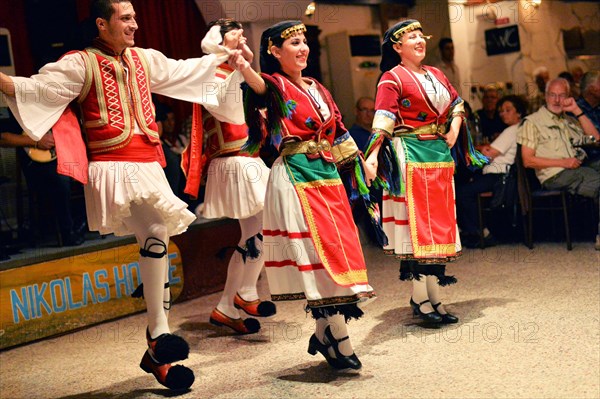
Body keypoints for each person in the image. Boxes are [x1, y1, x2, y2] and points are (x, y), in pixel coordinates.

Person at [0, 0, 244, 390]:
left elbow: (186, 72)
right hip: (113, 166)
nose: (135, 24)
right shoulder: (81, 63)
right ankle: (160, 335)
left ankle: (157, 354)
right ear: (102, 23)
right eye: (125, 18)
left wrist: (226, 55)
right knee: (153, 232)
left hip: (149, 165)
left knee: (159, 238)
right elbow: (36, 88)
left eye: (134, 16)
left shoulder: (144, 59)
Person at [233, 20, 376, 370]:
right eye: (293, 42)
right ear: (275, 52)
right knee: (317, 257)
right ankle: (337, 337)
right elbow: (259, 87)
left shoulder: (318, 88)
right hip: (295, 178)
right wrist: (243, 66)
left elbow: (339, 132)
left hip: (327, 177)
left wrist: (362, 165)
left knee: (336, 253)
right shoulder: (276, 84)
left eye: (304, 41)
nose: (302, 48)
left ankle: (326, 333)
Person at [363, 19, 470, 325]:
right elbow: (382, 119)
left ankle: (434, 296)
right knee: (417, 230)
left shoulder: (436, 74)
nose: (420, 41)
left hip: (437, 155)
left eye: (422, 36)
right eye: (412, 37)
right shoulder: (391, 79)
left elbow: (457, 103)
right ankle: (421, 298)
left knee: (437, 228)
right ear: (397, 47)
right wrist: (371, 158)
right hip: (409, 155)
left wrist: (453, 128)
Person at [187, 18, 275, 335]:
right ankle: (244, 293)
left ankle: (227, 305)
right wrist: (232, 62)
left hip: (247, 160)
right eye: (233, 35)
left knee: (259, 232)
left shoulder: (237, 71)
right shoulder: (209, 74)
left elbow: (262, 99)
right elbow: (226, 110)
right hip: (235, 161)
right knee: (265, 230)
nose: (240, 39)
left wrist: (244, 65)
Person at [517, 77, 600, 250]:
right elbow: (528, 160)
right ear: (545, 96)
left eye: (561, 95)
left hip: (576, 168)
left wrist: (577, 110)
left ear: (568, 97)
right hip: (553, 174)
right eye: (552, 95)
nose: (556, 100)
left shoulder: (568, 120)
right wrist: (563, 162)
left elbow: (596, 139)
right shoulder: (533, 122)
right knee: (596, 180)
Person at [0, 112, 86, 247]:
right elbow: (3, 138)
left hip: (68, 153)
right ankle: (67, 232)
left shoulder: (54, 105)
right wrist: (35, 142)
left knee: (97, 172)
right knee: (60, 179)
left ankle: (86, 223)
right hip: (40, 162)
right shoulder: (19, 110)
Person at [456, 95, 528, 248]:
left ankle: (481, 232)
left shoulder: (511, 131)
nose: (503, 113)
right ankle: (470, 231)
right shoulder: (520, 128)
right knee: (464, 185)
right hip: (501, 174)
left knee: (462, 191)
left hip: (498, 175)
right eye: (501, 111)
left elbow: (489, 154)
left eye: (508, 110)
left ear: (519, 113)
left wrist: (481, 149)